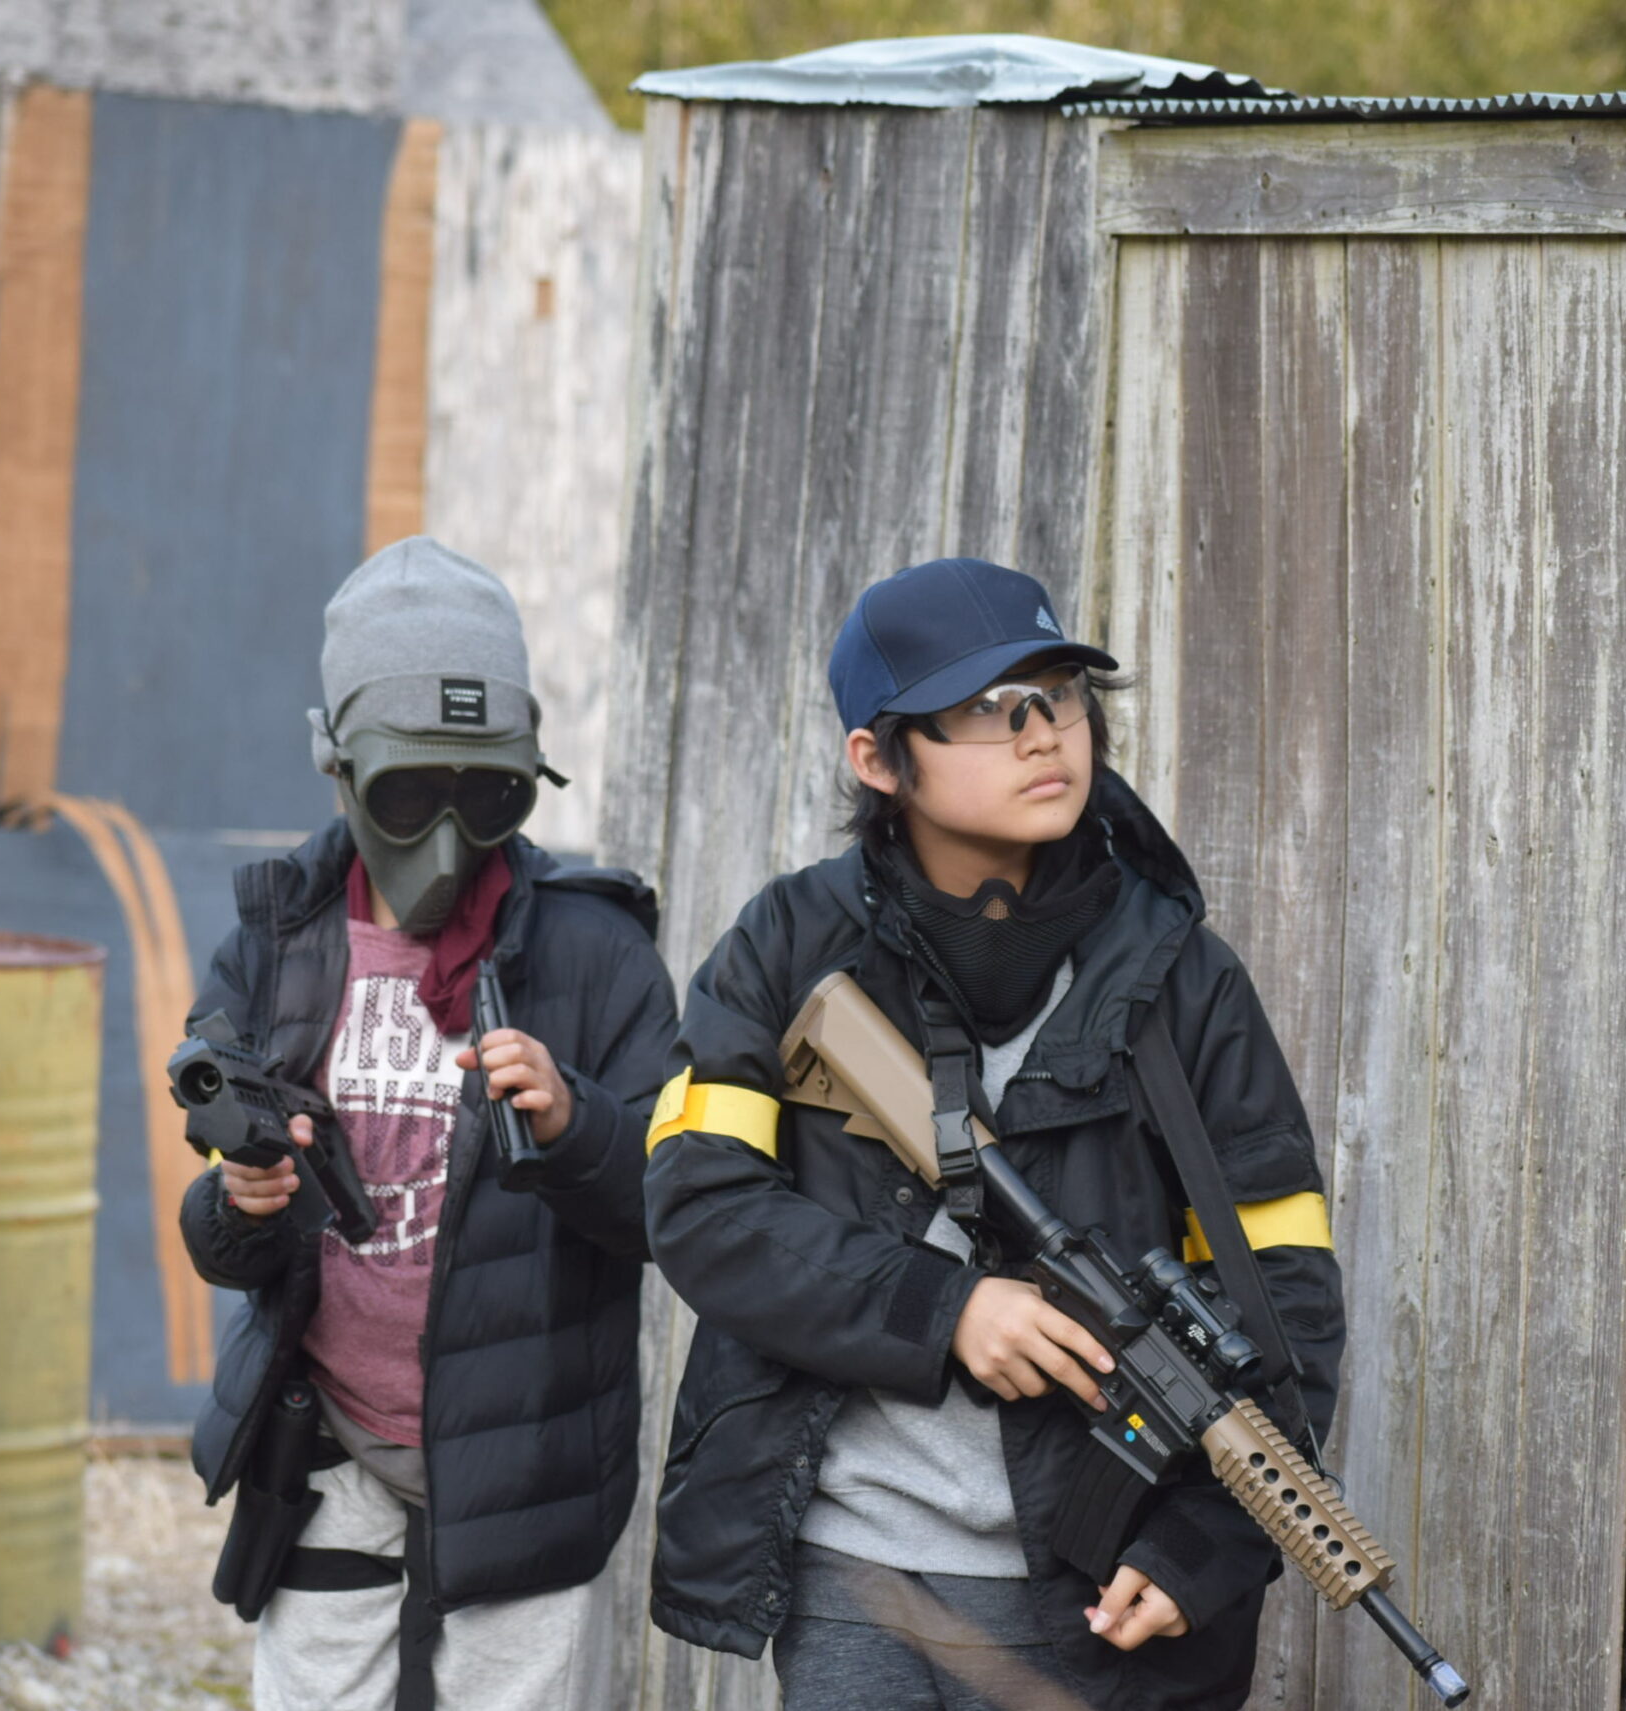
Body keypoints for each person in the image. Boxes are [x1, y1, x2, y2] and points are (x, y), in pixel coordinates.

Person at [643, 557, 1346, 1711]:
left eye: (1057, 695)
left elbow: (1284, 1290)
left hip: (1095, 1599)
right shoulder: (786, 944)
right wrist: (946, 1309)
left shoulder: (1186, 980)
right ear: (878, 758)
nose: (1041, 735)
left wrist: (1203, 1547)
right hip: (855, 1576)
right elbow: (701, 1207)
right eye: (985, 708)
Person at [179, 536, 677, 1711]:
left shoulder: (597, 953)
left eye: (486, 795)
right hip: (325, 1437)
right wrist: (241, 1200)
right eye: (410, 794)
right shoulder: (279, 940)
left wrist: (574, 1123)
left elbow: (682, 1203)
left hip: (528, 1457)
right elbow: (229, 1240)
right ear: (341, 768)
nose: (447, 838)